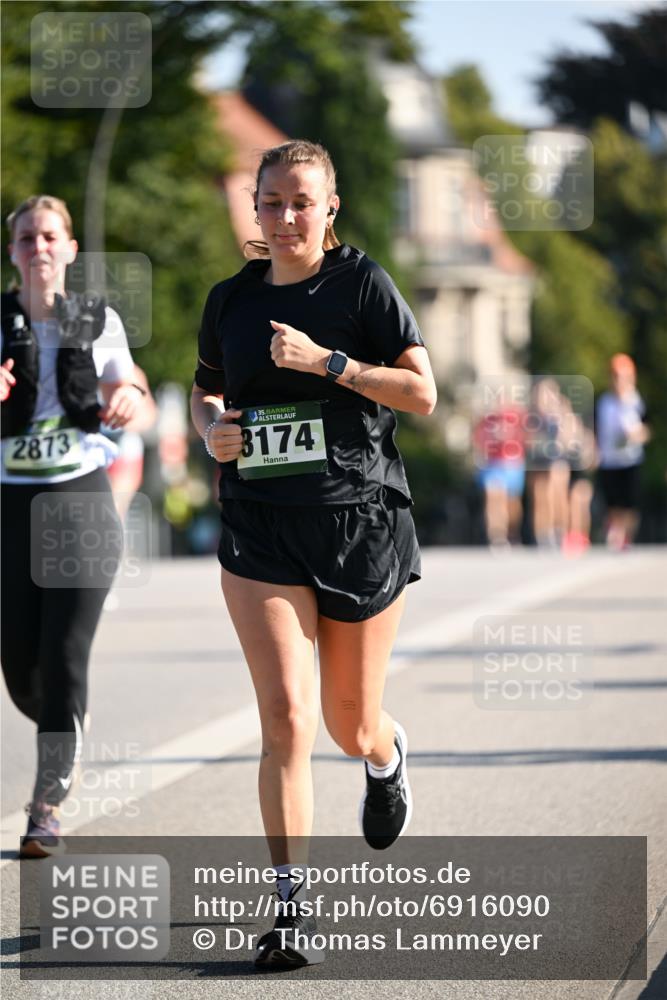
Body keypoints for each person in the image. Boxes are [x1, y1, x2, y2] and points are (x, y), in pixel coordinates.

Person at [190, 140, 437, 967]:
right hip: (259, 525)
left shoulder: (362, 285)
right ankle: (291, 910)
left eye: (302, 201)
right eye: (271, 202)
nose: (286, 217)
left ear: (330, 208)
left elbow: (421, 393)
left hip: (357, 523)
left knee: (345, 721)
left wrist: (330, 363)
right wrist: (211, 432)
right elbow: (205, 389)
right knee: (286, 718)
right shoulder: (229, 300)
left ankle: (385, 752)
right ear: (254, 210)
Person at [1, 195, 145, 857]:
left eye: (50, 236)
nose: (39, 248)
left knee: (63, 657)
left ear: (69, 249)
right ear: (12, 252)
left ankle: (47, 806)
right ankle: (68, 728)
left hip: (79, 499)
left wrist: (127, 396)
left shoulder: (96, 317)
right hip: (9, 507)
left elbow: (129, 383)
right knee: (21, 669)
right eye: (27, 238)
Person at [596, 353, 649, 551]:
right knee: (613, 502)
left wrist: (637, 435)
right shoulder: (603, 402)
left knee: (630, 504)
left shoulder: (637, 401)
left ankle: (626, 537)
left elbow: (647, 427)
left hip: (631, 458)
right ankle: (615, 535)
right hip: (609, 459)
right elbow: (596, 428)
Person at [473, 401, 526, 549]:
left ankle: (513, 533)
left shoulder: (517, 415)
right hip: (493, 464)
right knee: (494, 498)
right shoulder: (486, 419)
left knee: (512, 504)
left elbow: (526, 436)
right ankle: (497, 535)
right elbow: (478, 439)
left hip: (512, 463)